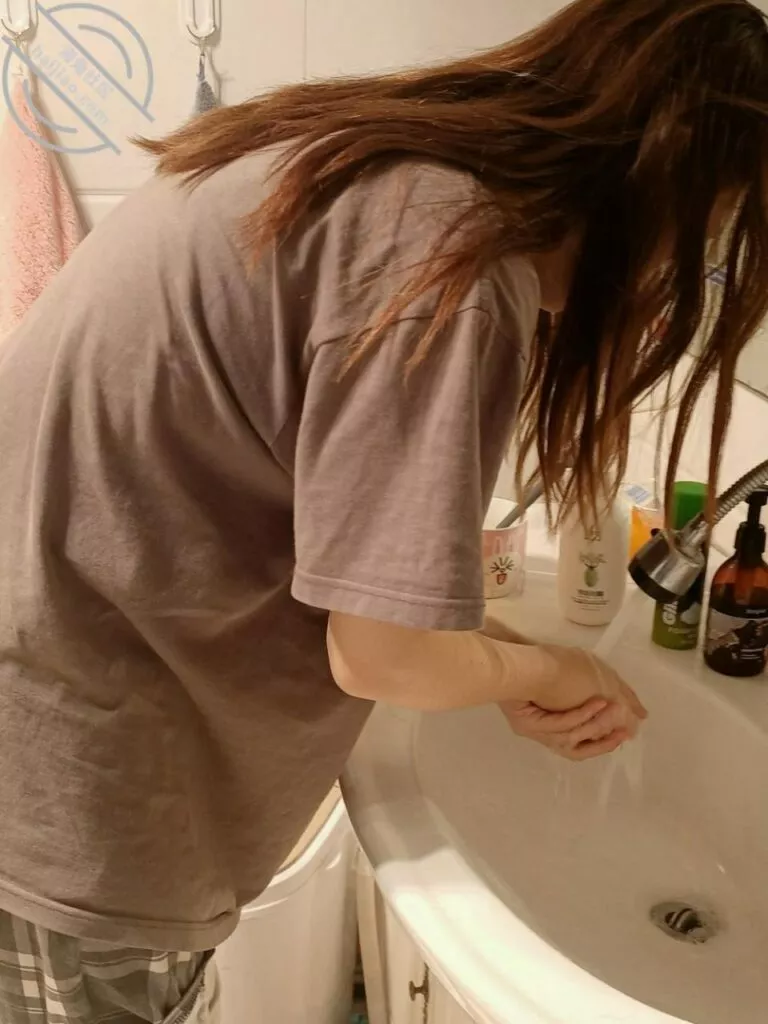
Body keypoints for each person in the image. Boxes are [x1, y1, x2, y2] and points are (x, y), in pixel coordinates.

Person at [0, 0, 767, 1019]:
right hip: (66, 800)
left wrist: (496, 658)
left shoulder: (370, 168)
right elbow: (381, 657)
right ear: (653, 187)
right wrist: (550, 670)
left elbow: (342, 571)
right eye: (699, 240)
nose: (673, 281)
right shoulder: (452, 262)